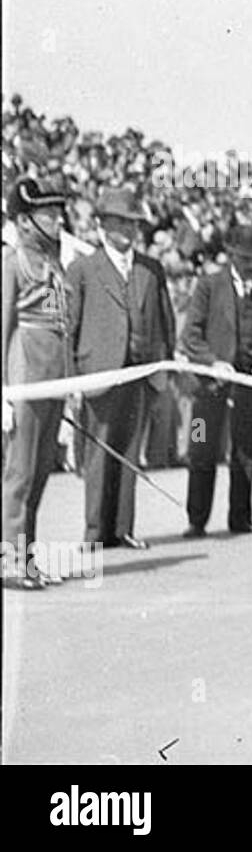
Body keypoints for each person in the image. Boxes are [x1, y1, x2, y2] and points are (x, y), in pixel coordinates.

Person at [65, 187, 175, 550]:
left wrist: (164, 368)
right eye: (120, 222)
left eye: (133, 223)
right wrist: (71, 381)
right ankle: (95, 532)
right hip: (99, 373)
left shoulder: (151, 269)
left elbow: (166, 320)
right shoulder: (82, 269)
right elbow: (70, 326)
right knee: (98, 456)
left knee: (129, 453)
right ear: (101, 225)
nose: (129, 230)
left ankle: (122, 528)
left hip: (140, 375)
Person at [180, 223, 252, 536]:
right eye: (245, 259)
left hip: (249, 388)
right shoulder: (208, 285)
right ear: (231, 255)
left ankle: (240, 518)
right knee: (200, 447)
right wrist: (214, 362)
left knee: (246, 451)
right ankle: (196, 520)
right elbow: (191, 336)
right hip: (208, 389)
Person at [2, 178, 71, 590]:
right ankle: (9, 560)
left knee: (41, 471)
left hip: (53, 377)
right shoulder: (12, 263)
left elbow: (61, 325)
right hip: (24, 373)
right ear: (25, 221)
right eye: (48, 213)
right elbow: (4, 325)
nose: (57, 220)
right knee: (20, 473)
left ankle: (25, 557)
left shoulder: (52, 262)